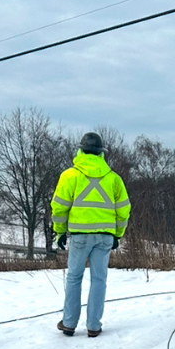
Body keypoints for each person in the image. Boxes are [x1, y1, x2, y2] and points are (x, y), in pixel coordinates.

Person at [51, 131, 131, 337]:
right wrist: (117, 235)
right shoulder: (113, 179)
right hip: (105, 236)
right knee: (99, 280)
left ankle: (69, 323)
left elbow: (59, 208)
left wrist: (60, 231)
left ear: (80, 150)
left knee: (74, 277)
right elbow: (123, 210)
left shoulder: (70, 176)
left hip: (79, 236)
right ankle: (94, 326)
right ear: (101, 154)